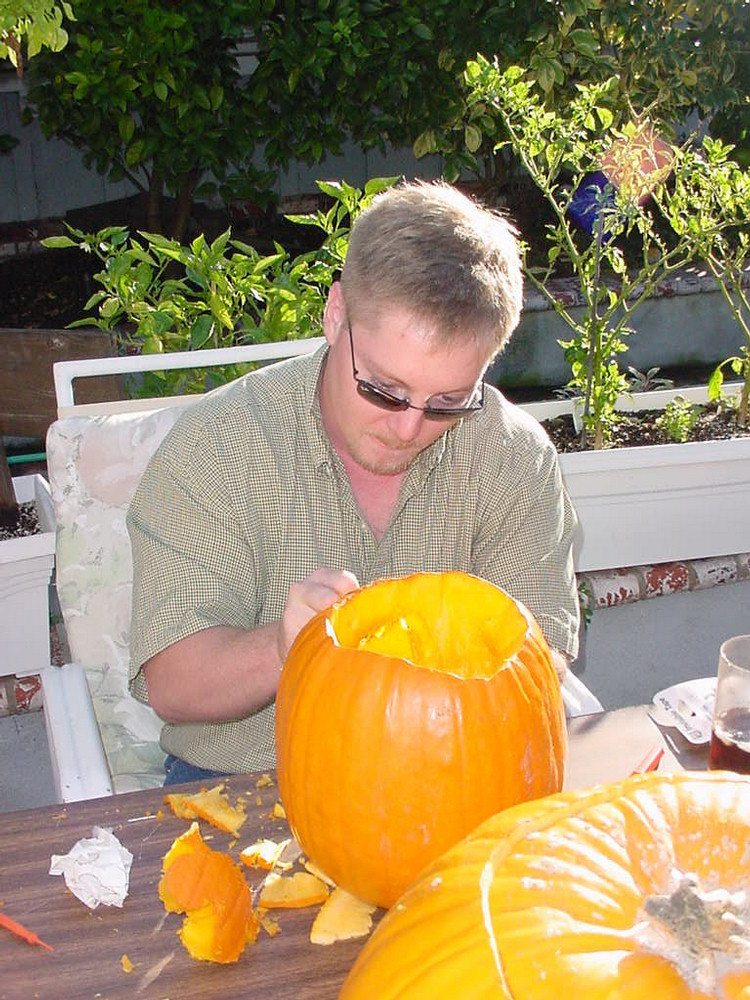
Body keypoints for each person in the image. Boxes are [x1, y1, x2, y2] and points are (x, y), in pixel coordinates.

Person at [127, 179, 580, 785]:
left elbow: (540, 658)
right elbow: (173, 687)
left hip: (451, 771)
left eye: (448, 401)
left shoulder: (513, 457)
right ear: (335, 313)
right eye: (384, 389)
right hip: (250, 780)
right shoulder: (218, 446)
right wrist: (284, 647)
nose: (409, 427)